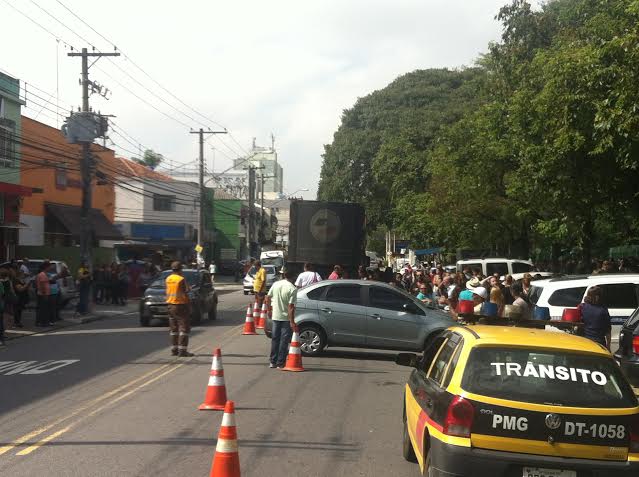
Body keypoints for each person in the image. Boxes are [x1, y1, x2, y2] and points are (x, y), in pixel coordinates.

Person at [266, 269, 298, 368]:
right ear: (293, 277)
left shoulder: (276, 284)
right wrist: (292, 322)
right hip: (285, 319)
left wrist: (269, 310)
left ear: (284, 275)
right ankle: (280, 362)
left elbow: (267, 297)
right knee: (284, 341)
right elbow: (291, 307)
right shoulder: (293, 289)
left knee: (275, 339)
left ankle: (272, 361)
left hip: (275, 316)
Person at [165, 261, 193, 357]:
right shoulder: (181, 279)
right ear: (180, 269)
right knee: (184, 328)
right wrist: (189, 306)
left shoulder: (168, 278)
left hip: (170, 305)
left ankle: (174, 349)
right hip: (180, 305)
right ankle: (183, 351)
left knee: (174, 329)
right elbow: (186, 291)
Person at [35, 262, 53, 327]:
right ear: (46, 267)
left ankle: (42, 322)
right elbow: (42, 286)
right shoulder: (42, 275)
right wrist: (45, 295)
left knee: (44, 309)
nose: (50, 268)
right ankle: (41, 322)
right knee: (42, 309)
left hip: (44, 294)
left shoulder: (44, 274)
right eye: (49, 266)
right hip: (43, 295)